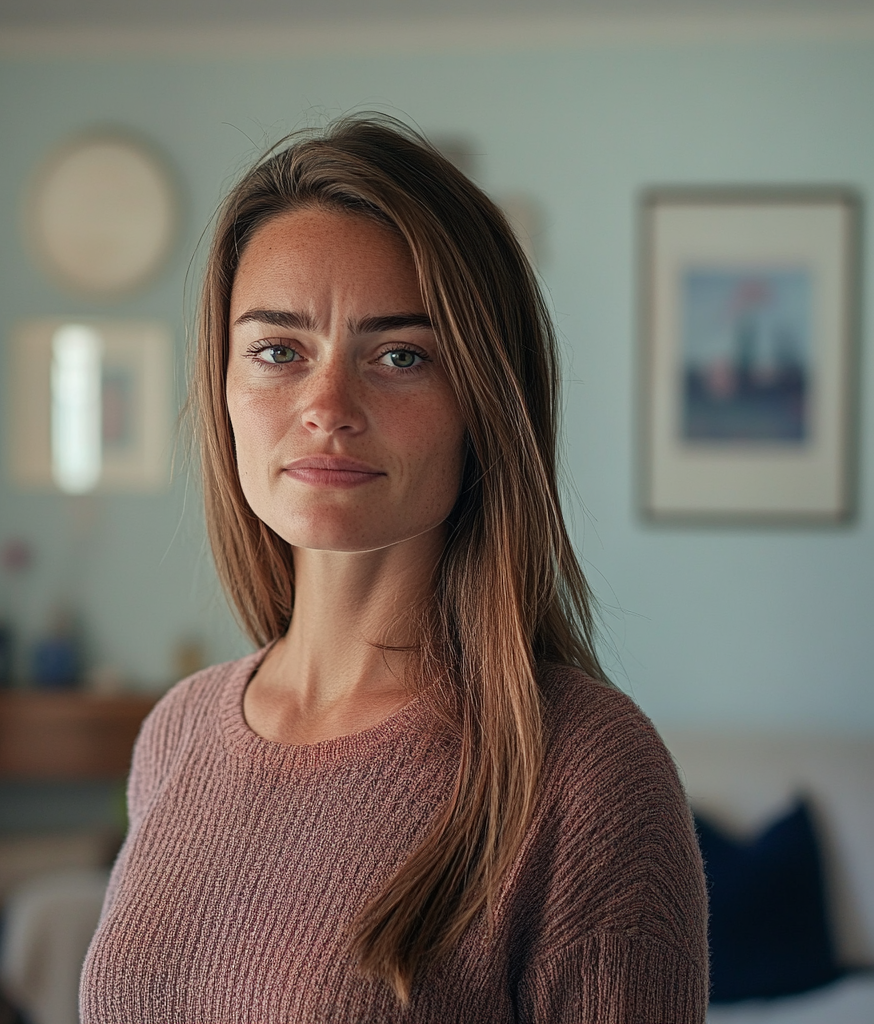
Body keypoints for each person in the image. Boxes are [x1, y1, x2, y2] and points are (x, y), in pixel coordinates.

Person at [80, 115, 708, 1023]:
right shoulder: (177, 734)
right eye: (277, 351)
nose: (327, 406)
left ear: (484, 404)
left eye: (400, 356)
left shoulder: (587, 776)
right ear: (222, 386)